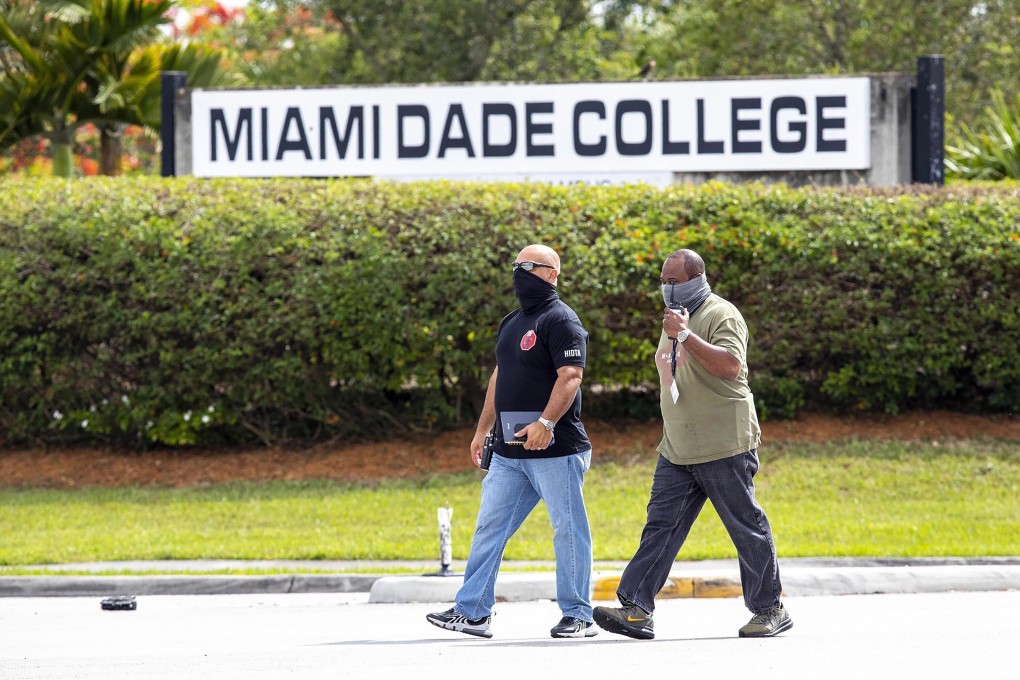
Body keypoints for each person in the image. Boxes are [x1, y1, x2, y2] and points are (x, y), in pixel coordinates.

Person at [593, 248, 792, 640]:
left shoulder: (721, 314)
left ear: (697, 279)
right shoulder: (672, 321)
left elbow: (731, 366)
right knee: (661, 527)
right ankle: (636, 608)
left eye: (674, 281)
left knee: (745, 527)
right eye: (663, 282)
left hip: (724, 444)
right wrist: (675, 335)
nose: (667, 289)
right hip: (678, 447)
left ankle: (770, 609)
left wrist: (685, 334)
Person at [426, 244, 596, 639]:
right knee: (490, 528)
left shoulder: (562, 320)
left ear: (551, 274)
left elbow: (571, 376)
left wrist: (546, 422)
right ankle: (473, 612)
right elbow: (499, 378)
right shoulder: (512, 321)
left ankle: (578, 615)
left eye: (528, 266)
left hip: (556, 449)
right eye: (516, 265)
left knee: (568, 531)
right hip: (508, 452)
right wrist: (482, 429)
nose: (519, 272)